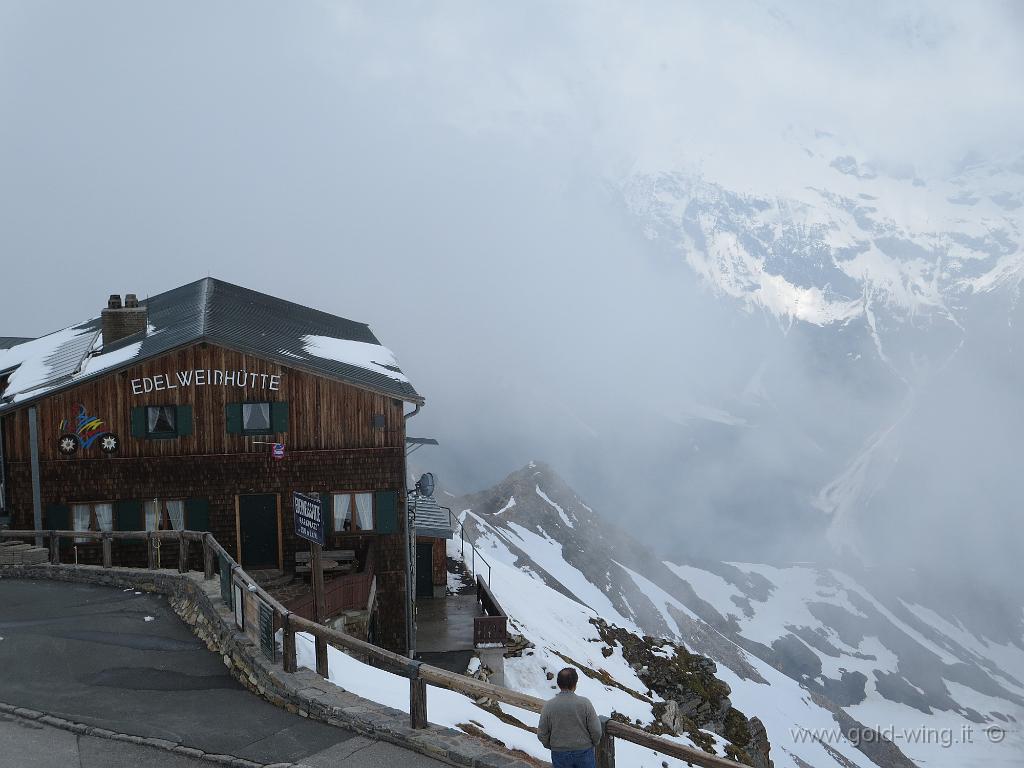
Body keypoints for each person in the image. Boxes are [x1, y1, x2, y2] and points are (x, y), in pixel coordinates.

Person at [537, 667, 603, 768]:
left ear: (559, 684)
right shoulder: (585, 703)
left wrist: (551, 746)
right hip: (584, 752)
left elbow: (542, 733)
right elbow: (597, 731)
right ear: (575, 684)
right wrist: (593, 743)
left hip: (559, 753)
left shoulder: (549, 706)